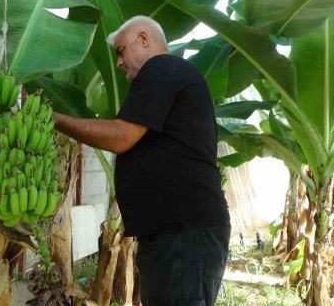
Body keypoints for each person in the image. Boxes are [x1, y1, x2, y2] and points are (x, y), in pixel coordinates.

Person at [53, 16, 231, 306]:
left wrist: (55, 120)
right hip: (180, 233)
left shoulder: (161, 69)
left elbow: (120, 135)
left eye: (121, 50)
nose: (119, 62)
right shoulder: (173, 75)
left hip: (182, 234)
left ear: (144, 39)